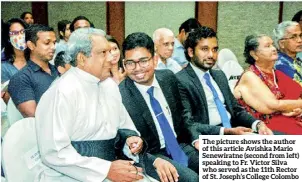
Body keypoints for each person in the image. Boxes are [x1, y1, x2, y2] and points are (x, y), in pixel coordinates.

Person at [176, 26, 273, 150]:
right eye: (205, 49)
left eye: (215, 49)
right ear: (190, 52)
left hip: (233, 132)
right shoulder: (180, 80)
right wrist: (226, 131)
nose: (211, 55)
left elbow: (236, 110)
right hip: (207, 137)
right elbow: (187, 123)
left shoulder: (219, 75)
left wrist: (258, 124)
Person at [119, 32, 199, 181]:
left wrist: (196, 139)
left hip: (180, 145)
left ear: (155, 60)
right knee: (193, 179)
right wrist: (152, 160)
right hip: (153, 155)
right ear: (124, 64)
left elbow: (183, 115)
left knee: (225, 167)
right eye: (130, 63)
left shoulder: (168, 77)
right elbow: (122, 140)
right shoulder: (120, 95)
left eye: (143, 61)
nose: (137, 68)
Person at [234, 34, 302, 134]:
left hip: (285, 121)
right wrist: (294, 105)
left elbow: (297, 96)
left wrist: (297, 109)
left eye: (273, 45)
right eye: (267, 46)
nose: (274, 48)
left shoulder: (276, 73)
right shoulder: (249, 76)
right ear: (254, 54)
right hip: (262, 128)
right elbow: (273, 105)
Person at [8, 24, 58, 117]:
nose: (53, 47)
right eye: (47, 43)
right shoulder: (21, 78)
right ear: (31, 45)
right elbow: (34, 116)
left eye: (54, 43)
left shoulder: (57, 72)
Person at [1, 18, 28, 103]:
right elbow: (7, 99)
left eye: (22, 32)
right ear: (8, 38)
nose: (20, 36)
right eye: (15, 33)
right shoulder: (4, 67)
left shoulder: (35, 59)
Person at [273, 21, 302, 85]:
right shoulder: (281, 64)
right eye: (293, 37)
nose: (300, 40)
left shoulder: (295, 59)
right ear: (282, 44)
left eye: (300, 35)